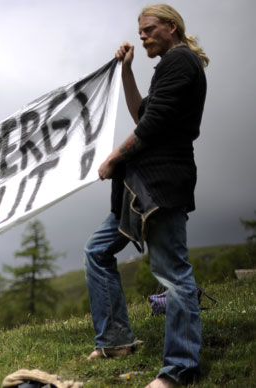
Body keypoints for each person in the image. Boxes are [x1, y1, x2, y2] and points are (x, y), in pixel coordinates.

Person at [83, 4, 208, 388]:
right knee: (98, 251)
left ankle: (179, 369)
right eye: (140, 31)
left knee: (173, 275)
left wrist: (114, 156)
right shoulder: (169, 66)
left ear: (171, 27)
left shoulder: (181, 62)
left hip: (162, 184)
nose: (142, 36)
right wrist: (126, 71)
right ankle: (116, 342)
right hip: (139, 188)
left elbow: (150, 128)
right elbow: (143, 114)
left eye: (149, 29)